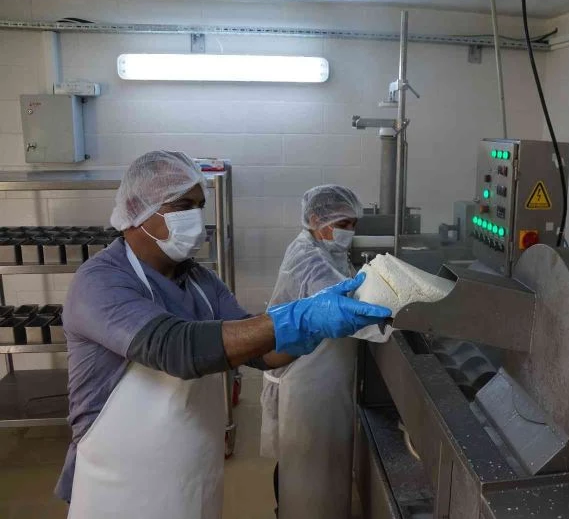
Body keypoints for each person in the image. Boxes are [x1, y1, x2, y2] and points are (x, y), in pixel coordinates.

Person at [55, 152, 390, 519]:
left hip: (192, 479)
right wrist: (297, 318)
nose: (196, 218)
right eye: (183, 206)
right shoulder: (101, 282)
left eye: (200, 206)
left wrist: (312, 328)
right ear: (138, 209)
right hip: (119, 488)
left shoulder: (200, 281)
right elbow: (176, 348)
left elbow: (261, 353)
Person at [260, 185, 363, 519]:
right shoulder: (307, 257)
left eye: (353, 225)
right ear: (316, 219)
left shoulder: (328, 248)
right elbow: (338, 308)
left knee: (320, 467)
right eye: (343, 224)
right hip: (305, 378)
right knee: (304, 469)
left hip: (326, 377)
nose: (349, 232)